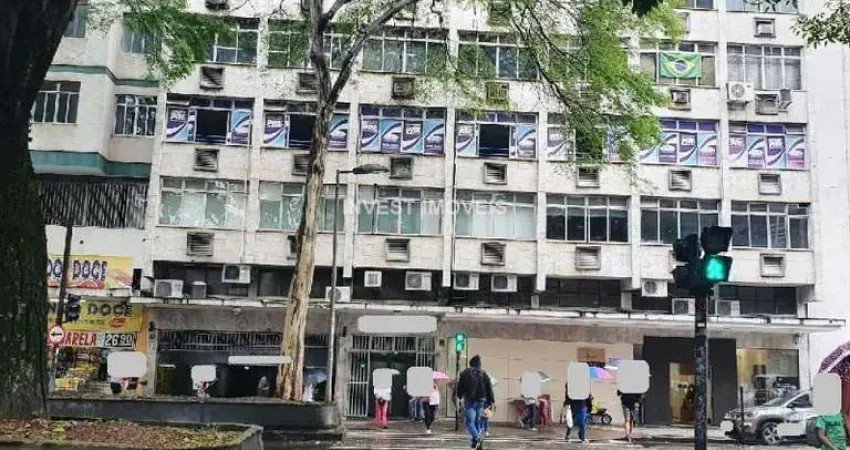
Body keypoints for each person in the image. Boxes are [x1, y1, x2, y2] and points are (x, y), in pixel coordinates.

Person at [456, 355, 495, 449]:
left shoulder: (465, 372)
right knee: (477, 422)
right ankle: (477, 444)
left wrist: (459, 396)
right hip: (481, 401)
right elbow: (489, 388)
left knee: (469, 423)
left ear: (471, 363)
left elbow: (460, 387)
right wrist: (491, 400)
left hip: (470, 400)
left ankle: (477, 438)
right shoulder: (484, 373)